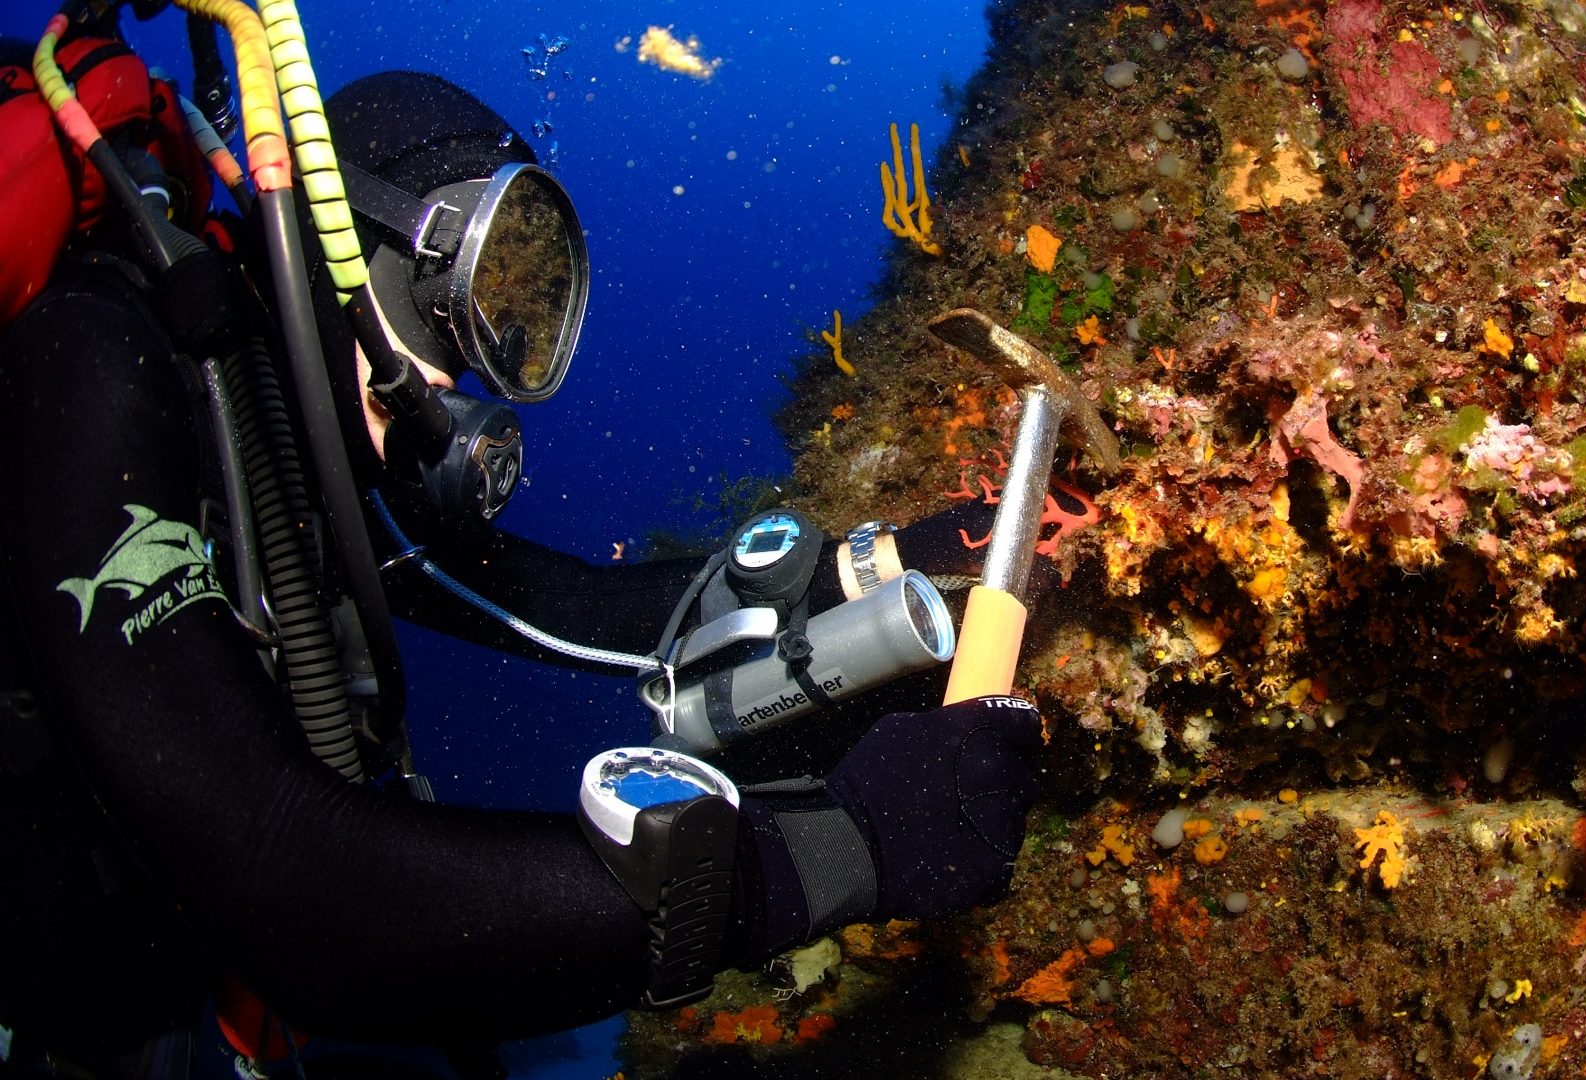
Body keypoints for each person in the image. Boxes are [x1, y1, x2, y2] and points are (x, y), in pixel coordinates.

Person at [0, 27, 1043, 1079]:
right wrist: (835, 851)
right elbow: (293, 885)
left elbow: (574, 612)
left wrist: (871, 565)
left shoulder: (284, 453)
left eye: (516, 320)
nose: (473, 376)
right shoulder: (94, 367)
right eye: (464, 302)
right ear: (349, 255)